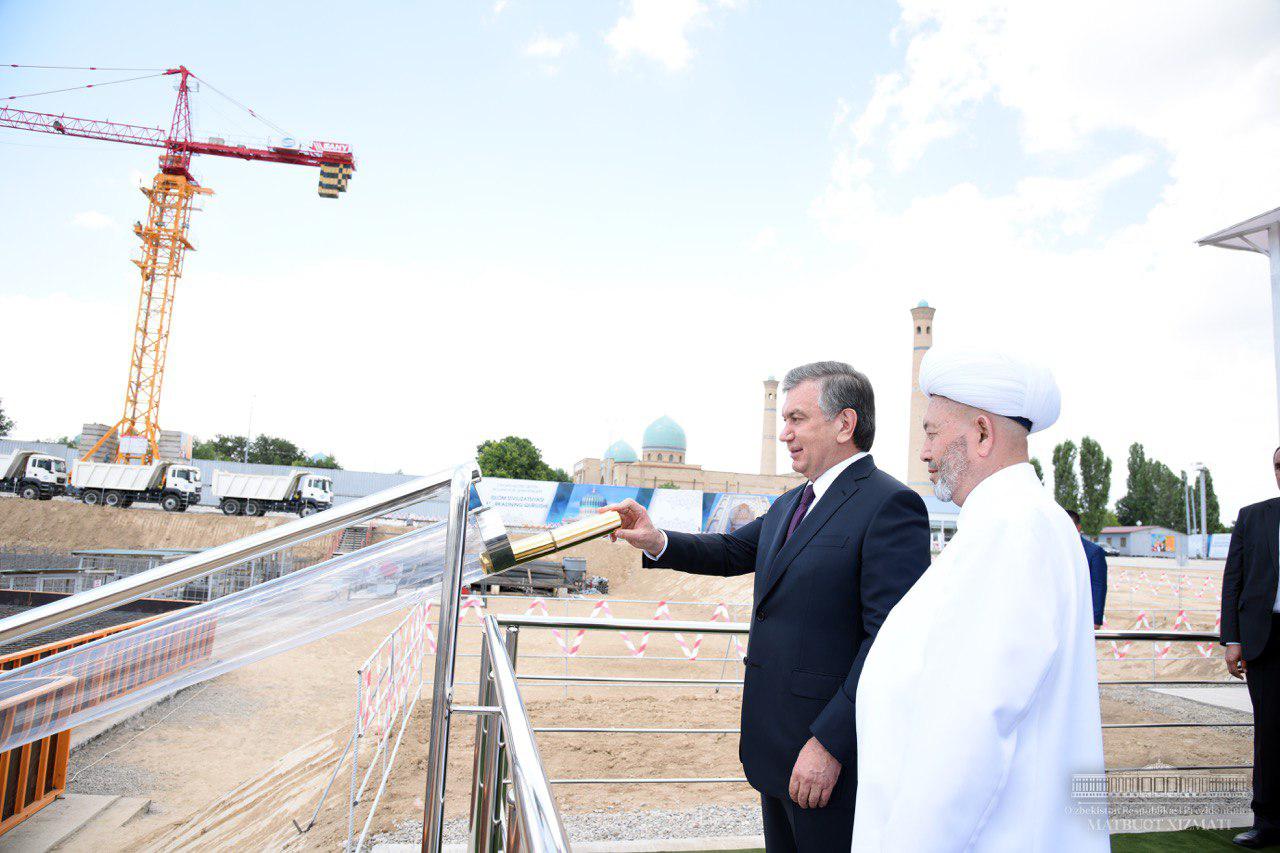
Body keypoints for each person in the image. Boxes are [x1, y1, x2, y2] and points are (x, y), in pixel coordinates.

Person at [602, 361, 930, 852]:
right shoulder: (793, 502)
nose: (784, 433)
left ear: (845, 424)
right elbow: (733, 551)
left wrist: (830, 744)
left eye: (797, 419)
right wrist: (656, 540)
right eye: (783, 420)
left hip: (828, 761)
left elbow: (888, 642)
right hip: (775, 749)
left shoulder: (889, 505)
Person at [851, 348, 1107, 852]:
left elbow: (969, 731)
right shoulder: (1018, 520)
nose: (923, 452)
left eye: (931, 433)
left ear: (983, 434)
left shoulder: (1012, 529)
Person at [1221, 447, 1280, 849]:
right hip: (1267, 640)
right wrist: (1233, 639)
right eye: (1279, 466)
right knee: (1271, 734)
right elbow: (1234, 580)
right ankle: (1268, 821)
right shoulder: (1253, 516)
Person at [1067, 508, 1108, 629]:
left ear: (1078, 527)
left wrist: (1096, 619)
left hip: (1082, 616)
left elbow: (1098, 586)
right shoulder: (1053, 550)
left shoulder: (1093, 552)